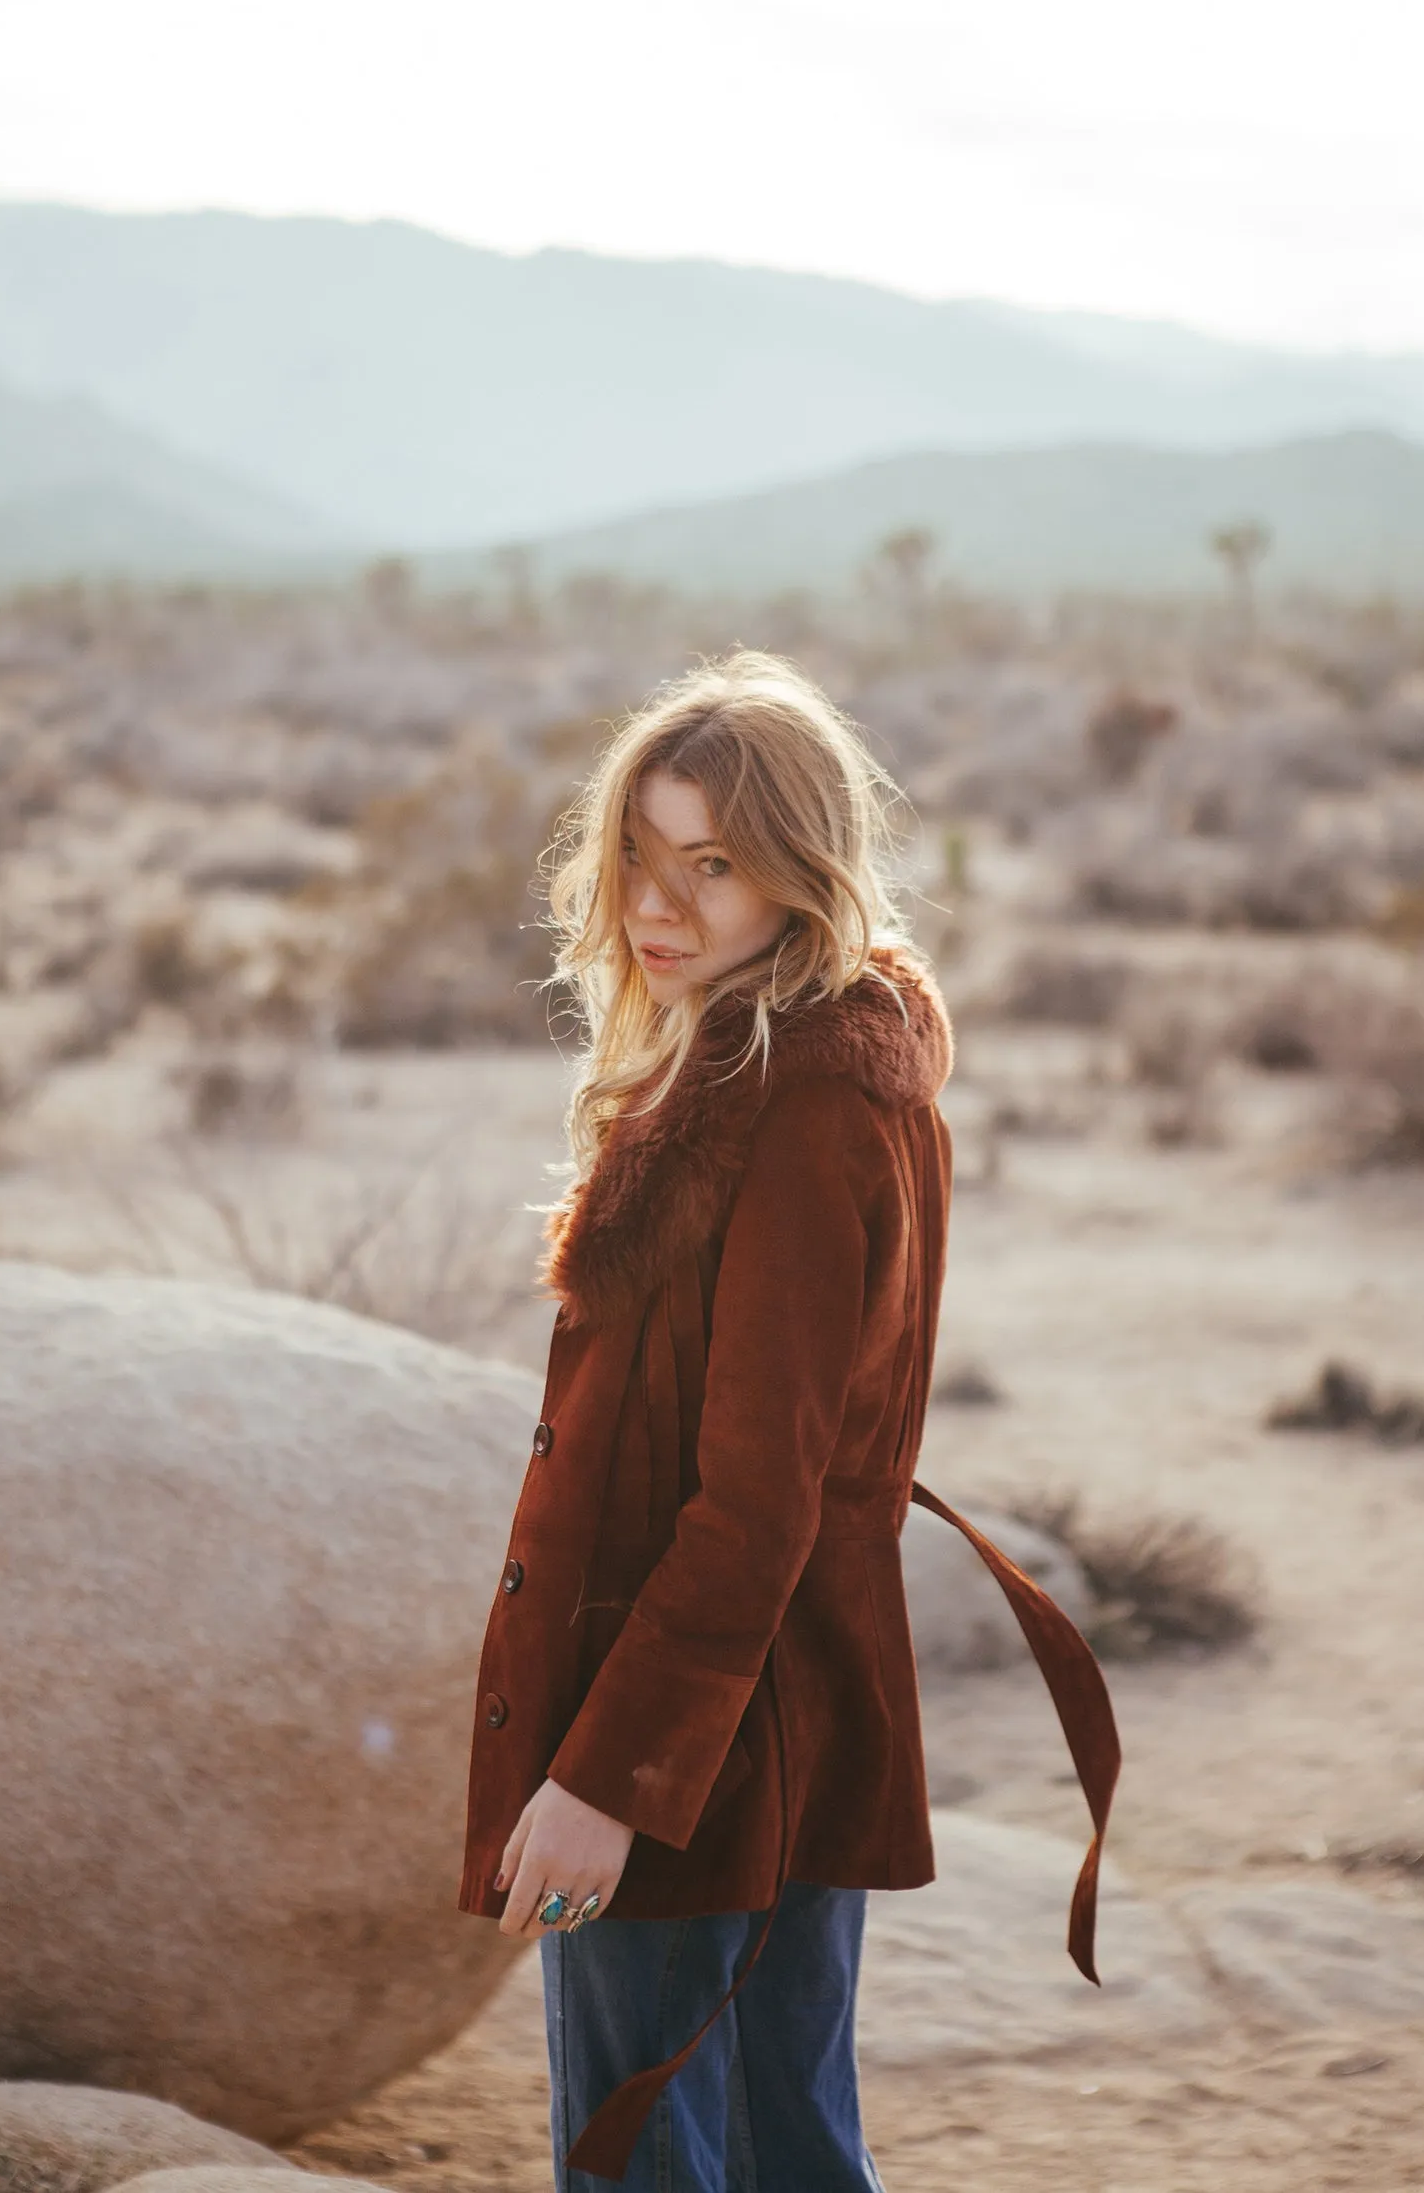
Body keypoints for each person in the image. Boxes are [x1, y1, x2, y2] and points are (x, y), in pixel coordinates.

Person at [457, 650, 1119, 2191]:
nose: (654, 906)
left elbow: (754, 1500)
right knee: (781, 2146)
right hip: (777, 1711)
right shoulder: (789, 1065)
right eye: (635, 855)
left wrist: (600, 1782)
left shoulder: (802, 1101)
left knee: (649, 2158)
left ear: (798, 874)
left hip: (695, 1741)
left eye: (712, 865)